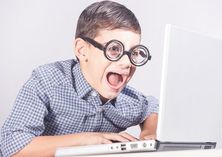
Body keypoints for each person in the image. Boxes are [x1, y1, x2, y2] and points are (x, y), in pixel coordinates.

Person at [0, 1, 158, 157]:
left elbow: (152, 107)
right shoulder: (48, 81)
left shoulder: (127, 101)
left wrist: (149, 134)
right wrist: (86, 140)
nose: (127, 62)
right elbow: (11, 145)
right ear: (82, 50)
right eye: (114, 49)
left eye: (135, 53)